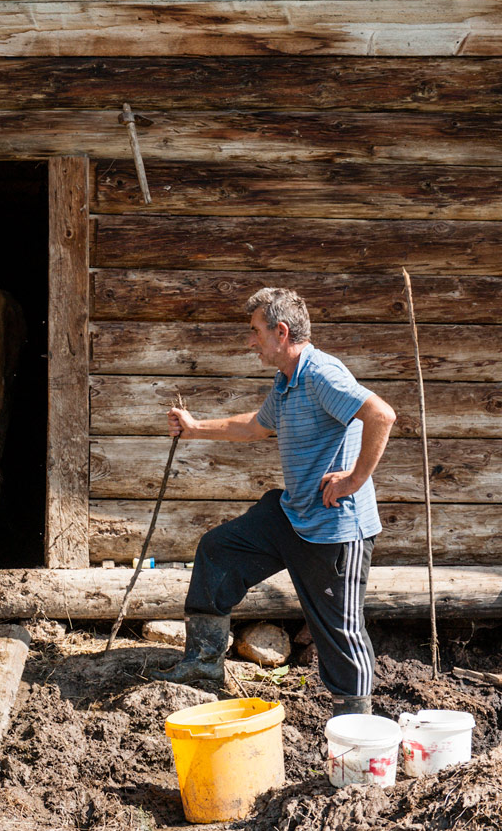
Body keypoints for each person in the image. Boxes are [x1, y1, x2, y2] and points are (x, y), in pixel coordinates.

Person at [155, 287, 396, 716]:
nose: (250, 341)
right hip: (292, 513)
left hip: (333, 528)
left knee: (340, 632)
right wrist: (194, 428)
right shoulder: (287, 381)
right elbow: (254, 427)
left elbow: (381, 414)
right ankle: (203, 665)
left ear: (280, 332)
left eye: (255, 332)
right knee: (219, 549)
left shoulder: (322, 374)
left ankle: (356, 728)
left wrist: (355, 479)